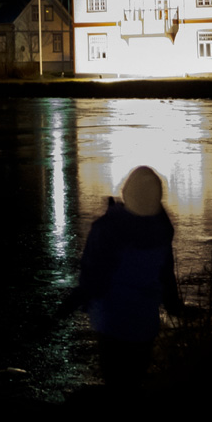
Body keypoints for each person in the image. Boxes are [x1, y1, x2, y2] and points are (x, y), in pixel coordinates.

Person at [63, 165, 182, 388]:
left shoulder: (106, 230)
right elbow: (166, 278)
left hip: (111, 322)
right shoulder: (162, 233)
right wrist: (176, 308)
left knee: (115, 382)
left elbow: (93, 278)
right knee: (135, 381)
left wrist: (71, 304)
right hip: (145, 324)